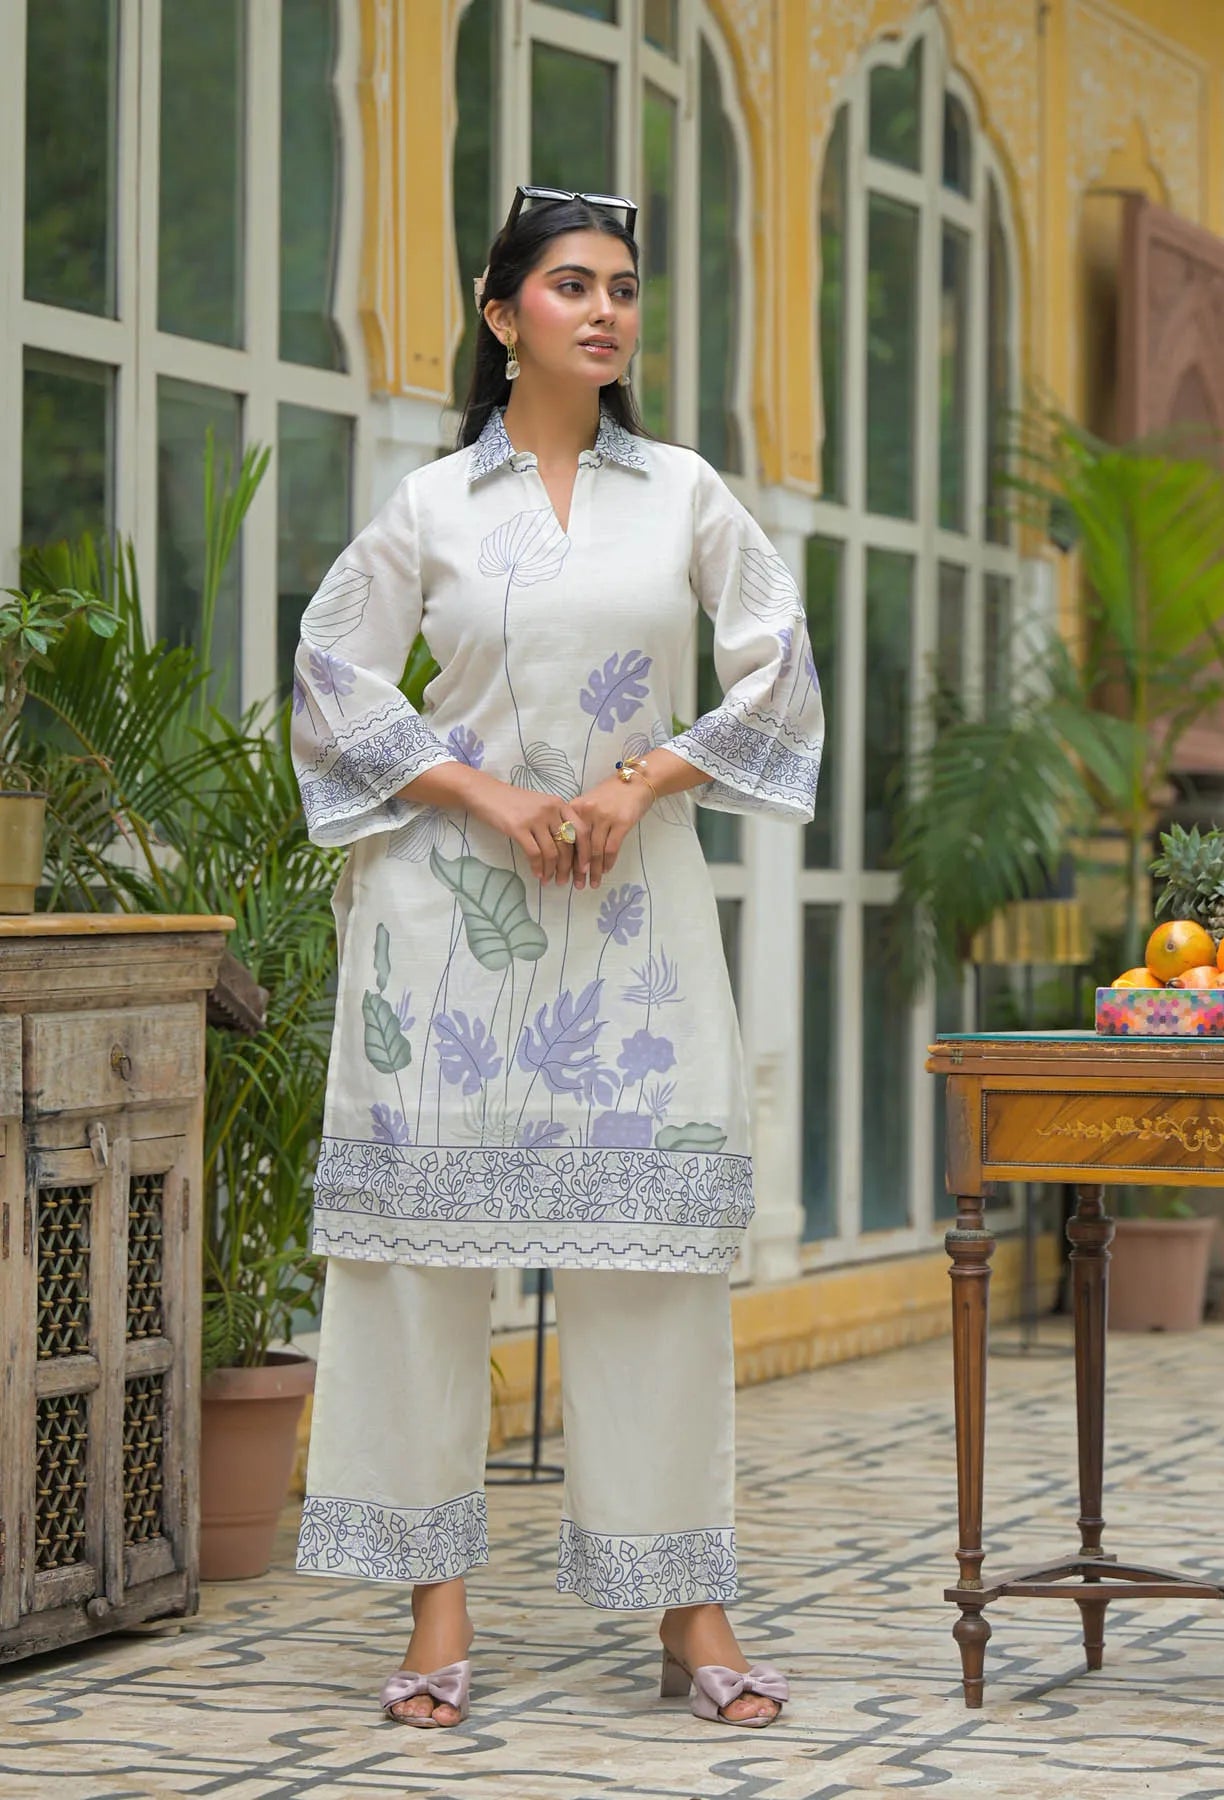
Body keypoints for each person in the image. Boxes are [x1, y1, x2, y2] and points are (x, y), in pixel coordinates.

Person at [290, 184, 823, 1732]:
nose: (604, 311)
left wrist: (636, 782)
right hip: (444, 921)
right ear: (498, 308)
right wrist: (490, 793)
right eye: (572, 285)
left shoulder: (687, 498)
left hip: (635, 919)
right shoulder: (432, 508)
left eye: (625, 290)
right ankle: (435, 1611)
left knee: (653, 1267)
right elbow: (330, 673)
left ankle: (691, 1611)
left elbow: (777, 670)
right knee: (416, 1275)